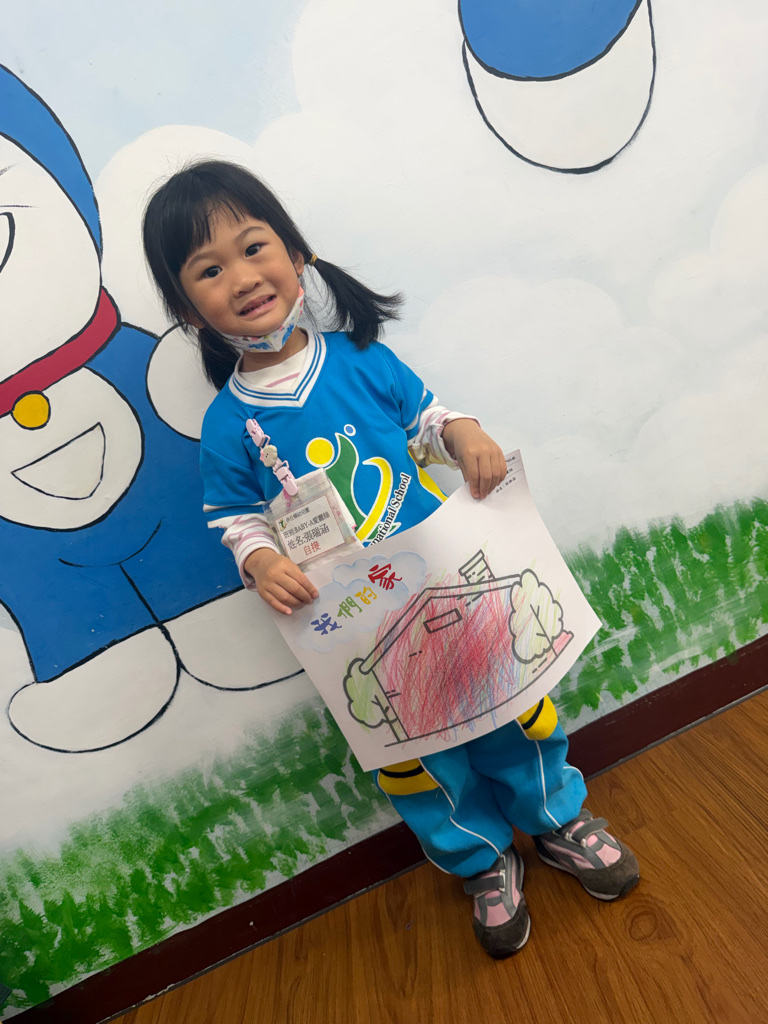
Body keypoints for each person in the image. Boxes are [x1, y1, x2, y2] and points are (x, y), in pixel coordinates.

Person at [142, 160, 639, 959]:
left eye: (254, 247)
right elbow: (235, 520)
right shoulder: (228, 427)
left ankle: (557, 820)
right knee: (420, 759)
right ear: (185, 307)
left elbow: (428, 421)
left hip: (448, 586)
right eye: (209, 269)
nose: (241, 277)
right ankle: (482, 862)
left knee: (515, 708)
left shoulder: (361, 358)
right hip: (362, 630)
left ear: (295, 253)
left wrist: (463, 433)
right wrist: (259, 561)